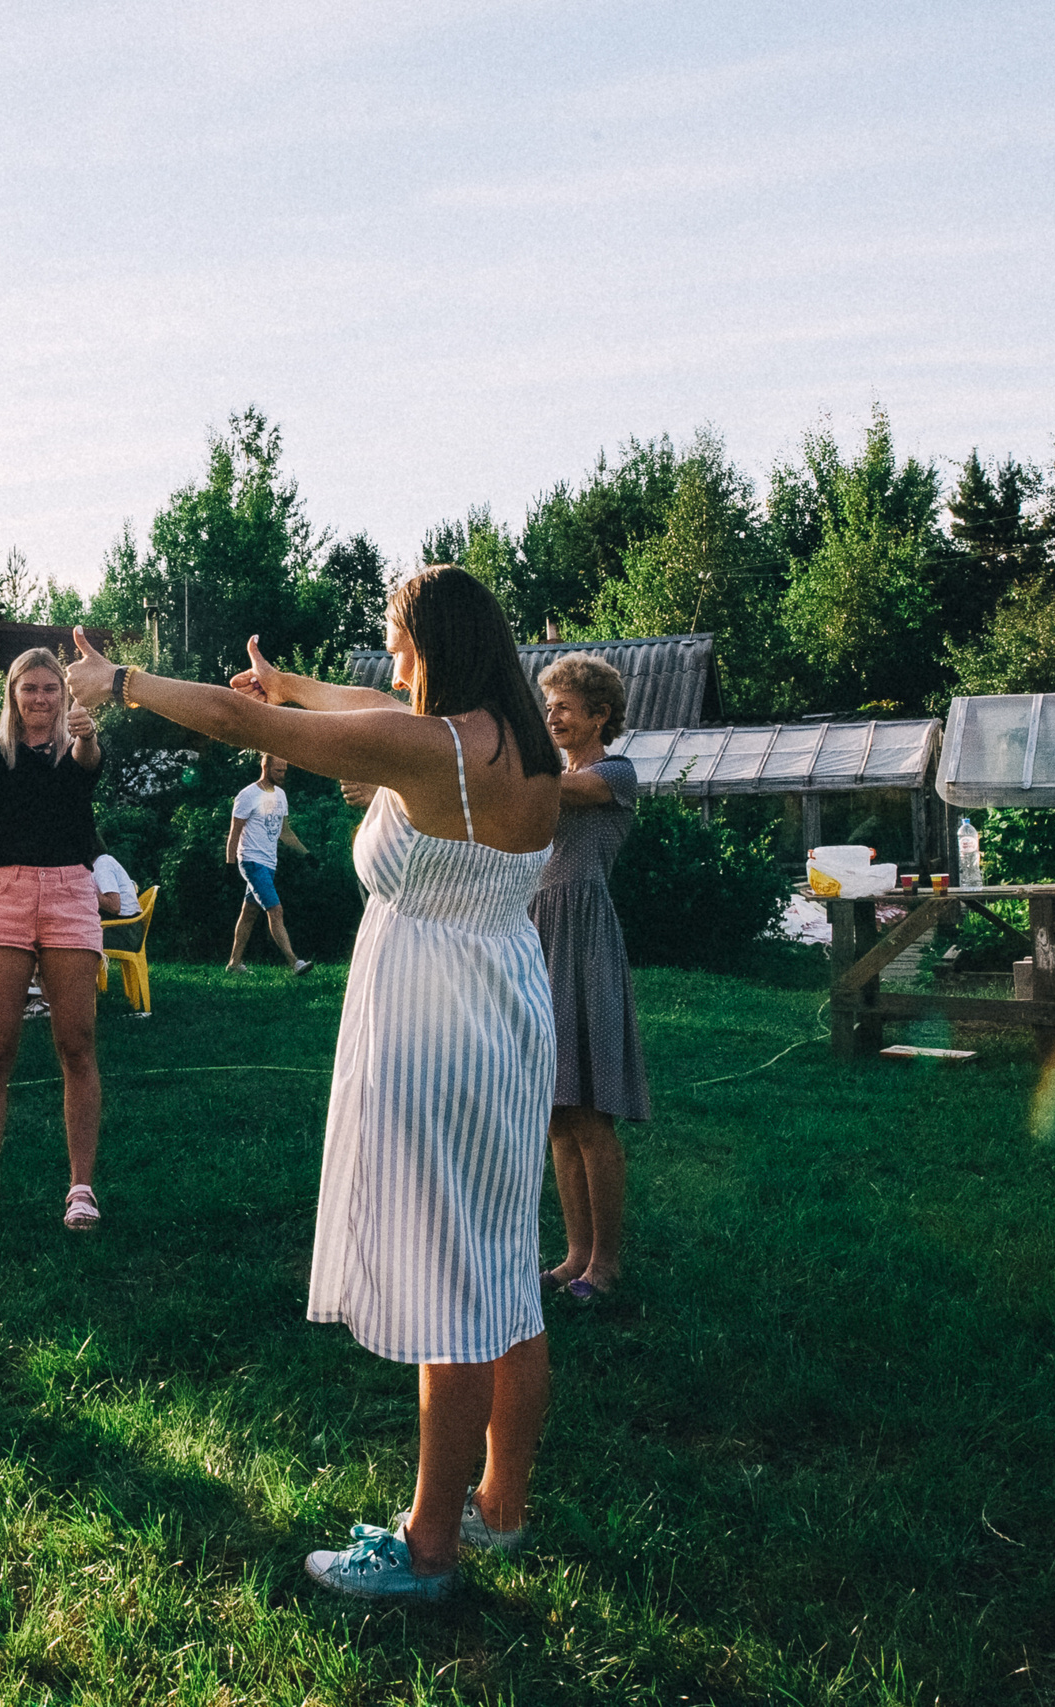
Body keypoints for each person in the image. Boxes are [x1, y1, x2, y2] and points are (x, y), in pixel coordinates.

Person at [65, 566, 561, 1601]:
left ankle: (430, 1548)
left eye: (395, 636)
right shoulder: (516, 739)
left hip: (435, 1020)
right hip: (506, 1002)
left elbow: (245, 721)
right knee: (502, 1259)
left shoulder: (424, 748)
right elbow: (363, 708)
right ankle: (500, 1505)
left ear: (430, 642)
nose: (388, 657)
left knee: (451, 1277)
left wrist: (122, 685)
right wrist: (288, 682)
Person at [0, 649, 106, 1234]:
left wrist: (88, 736)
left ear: (64, 697)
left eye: (50, 689)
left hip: (69, 890)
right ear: (13, 696)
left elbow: (89, 763)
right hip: (6, 893)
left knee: (77, 1044)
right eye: (29, 689)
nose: (40, 698)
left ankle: (81, 1189)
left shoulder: (79, 747)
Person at [535, 654, 650, 1304]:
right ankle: (575, 1252)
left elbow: (554, 792)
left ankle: (605, 1263)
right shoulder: (550, 774)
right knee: (556, 1112)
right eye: (547, 705)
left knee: (590, 1114)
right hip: (538, 937)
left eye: (564, 705)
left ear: (600, 713)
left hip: (583, 939)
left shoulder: (613, 773)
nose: (552, 713)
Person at [224, 752, 313, 976]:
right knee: (275, 910)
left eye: (284, 771)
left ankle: (234, 964)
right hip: (252, 861)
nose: (282, 775)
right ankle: (295, 962)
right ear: (265, 767)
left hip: (269, 862)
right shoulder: (247, 795)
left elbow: (285, 832)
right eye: (278, 771)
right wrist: (229, 863)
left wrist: (307, 854)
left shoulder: (281, 796)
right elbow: (234, 832)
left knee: (249, 913)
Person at [90, 834, 140, 918]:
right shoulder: (98, 864)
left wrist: (87, 892)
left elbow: (114, 906)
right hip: (122, 920)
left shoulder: (102, 864)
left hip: (123, 924)